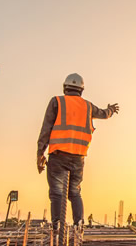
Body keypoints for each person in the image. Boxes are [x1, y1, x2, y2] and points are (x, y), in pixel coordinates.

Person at [37, 73, 119, 229]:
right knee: (74, 192)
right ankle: (79, 224)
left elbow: (46, 129)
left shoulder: (57, 102)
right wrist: (111, 110)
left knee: (57, 192)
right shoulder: (87, 107)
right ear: (81, 90)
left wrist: (40, 153)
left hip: (58, 155)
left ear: (65, 87)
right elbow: (104, 113)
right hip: (78, 157)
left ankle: (58, 226)